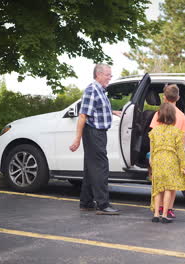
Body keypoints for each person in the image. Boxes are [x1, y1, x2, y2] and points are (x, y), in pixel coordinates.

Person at [69, 64, 121, 215]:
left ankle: (86, 202)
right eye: (108, 75)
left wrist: (112, 111)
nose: (110, 78)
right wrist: (77, 139)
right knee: (100, 168)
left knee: (91, 168)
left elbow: (96, 109)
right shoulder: (92, 90)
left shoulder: (100, 91)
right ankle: (103, 205)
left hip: (98, 133)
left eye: (110, 75)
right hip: (93, 133)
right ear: (98, 74)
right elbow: (83, 115)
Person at [149, 102, 185, 223]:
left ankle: (156, 214)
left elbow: (151, 150)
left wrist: (151, 162)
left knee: (158, 188)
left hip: (157, 160)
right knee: (169, 189)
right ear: (173, 116)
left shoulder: (154, 132)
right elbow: (180, 151)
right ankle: (165, 215)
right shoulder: (177, 132)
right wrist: (183, 166)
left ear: (159, 115)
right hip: (171, 161)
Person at [149, 84, 185, 219]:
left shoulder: (158, 114)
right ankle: (169, 209)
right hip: (173, 155)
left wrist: (151, 155)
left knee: (159, 183)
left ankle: (158, 209)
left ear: (164, 97)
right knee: (171, 185)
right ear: (178, 97)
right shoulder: (181, 116)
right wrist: (181, 160)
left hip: (159, 154)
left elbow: (153, 135)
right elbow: (182, 139)